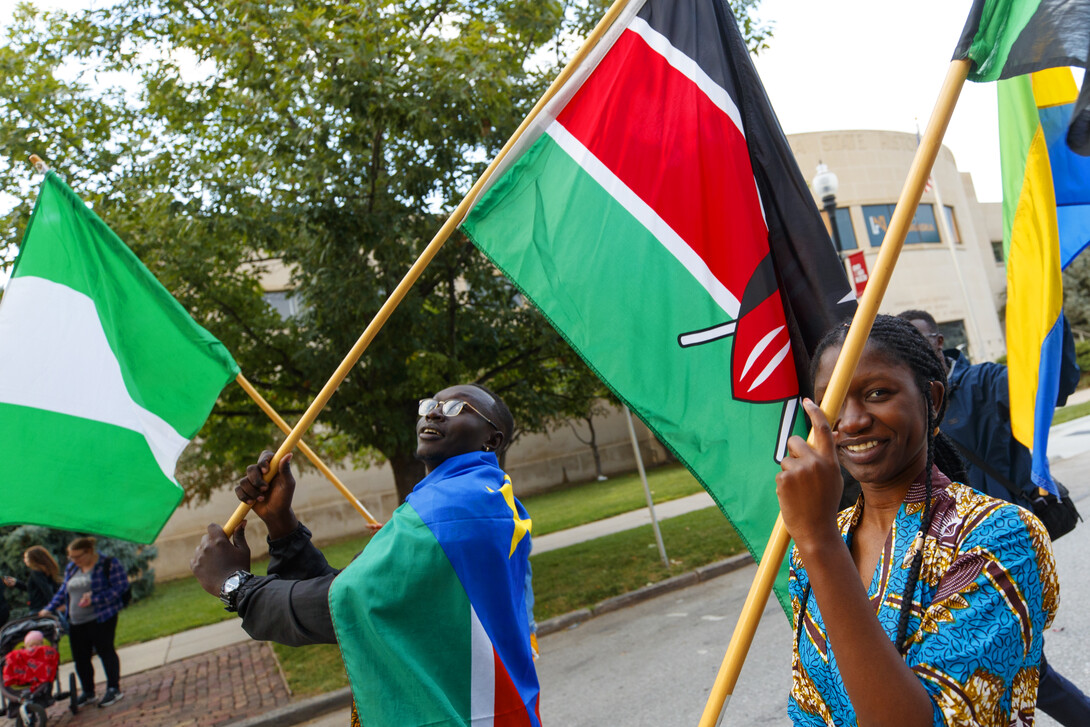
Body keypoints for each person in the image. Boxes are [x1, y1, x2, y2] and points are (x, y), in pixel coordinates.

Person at [190, 382, 541, 726]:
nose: (433, 412)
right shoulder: (482, 496)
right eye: (429, 404)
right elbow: (363, 591)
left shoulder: (447, 508)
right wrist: (282, 525)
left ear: (491, 439)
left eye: (454, 408)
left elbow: (344, 603)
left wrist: (233, 584)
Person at [778, 315, 1057, 725]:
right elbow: (809, 706)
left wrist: (818, 540)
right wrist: (818, 540)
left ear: (934, 399)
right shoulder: (817, 546)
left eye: (877, 393)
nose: (852, 421)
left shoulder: (1002, 536)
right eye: (835, 402)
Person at [902, 308, 1090, 725]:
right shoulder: (908, 406)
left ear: (938, 342)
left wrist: (1048, 311)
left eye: (921, 342)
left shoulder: (983, 383)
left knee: (1030, 675)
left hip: (1001, 553)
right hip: (946, 563)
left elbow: (1051, 385)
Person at [40, 537, 127, 708]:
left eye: (77, 556)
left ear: (89, 552)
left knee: (105, 651)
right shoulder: (73, 567)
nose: (74, 560)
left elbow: (120, 587)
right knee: (81, 658)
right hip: (76, 620)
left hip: (101, 617)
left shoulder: (107, 564)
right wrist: (49, 608)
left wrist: (95, 598)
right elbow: (64, 589)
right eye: (71, 557)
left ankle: (113, 688)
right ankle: (88, 692)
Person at [3, 546, 62, 614]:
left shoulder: (36, 573)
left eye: (26, 557)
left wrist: (52, 607)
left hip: (40, 610)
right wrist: (17, 583)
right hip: (43, 608)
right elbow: (33, 589)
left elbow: (46, 589)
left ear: (34, 559)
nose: (24, 560)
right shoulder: (47, 571)